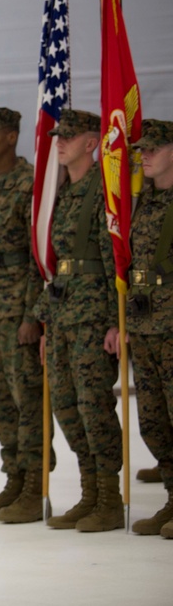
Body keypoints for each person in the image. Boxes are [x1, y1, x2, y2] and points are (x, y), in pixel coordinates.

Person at [31, 109, 122, 531]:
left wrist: (112, 323)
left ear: (91, 142)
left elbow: (112, 264)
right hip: (64, 317)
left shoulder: (102, 195)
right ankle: (89, 493)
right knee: (67, 408)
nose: (60, 142)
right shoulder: (63, 194)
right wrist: (47, 323)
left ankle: (108, 498)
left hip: (90, 320)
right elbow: (57, 268)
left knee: (94, 406)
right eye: (58, 136)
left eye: (69, 136)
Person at [0, 105, 52, 523]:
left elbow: (39, 257)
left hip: (19, 305)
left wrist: (32, 315)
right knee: (0, 400)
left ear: (12, 136)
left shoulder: (30, 184)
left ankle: (35, 486)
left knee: (27, 399)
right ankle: (14, 480)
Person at [124, 119, 173, 537]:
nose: (145, 155)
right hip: (144, 325)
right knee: (153, 420)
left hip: (172, 324)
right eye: (142, 149)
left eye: (154, 149)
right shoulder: (146, 202)